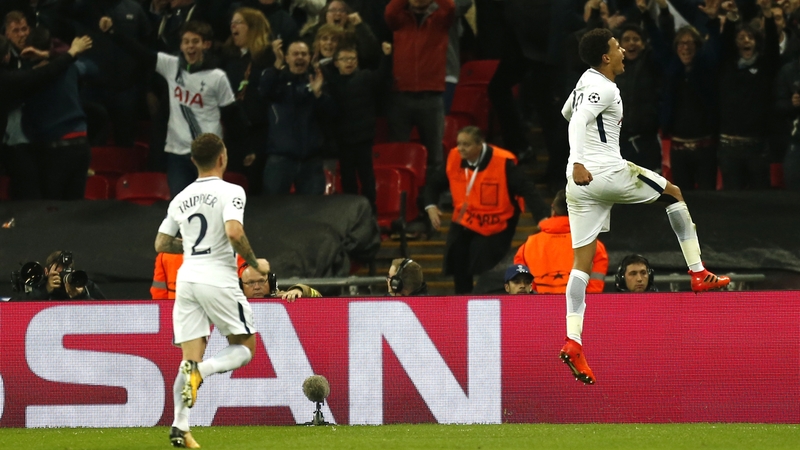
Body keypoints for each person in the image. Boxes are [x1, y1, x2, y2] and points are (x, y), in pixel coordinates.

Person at [559, 28, 730, 385]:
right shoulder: (604, 87)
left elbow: (567, 111)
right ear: (606, 57)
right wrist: (579, 159)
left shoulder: (585, 82)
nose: (623, 50)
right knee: (674, 193)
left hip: (579, 186)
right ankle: (698, 272)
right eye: (616, 46)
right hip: (604, 172)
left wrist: (579, 159)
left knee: (581, 264)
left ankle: (573, 340)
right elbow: (578, 119)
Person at [154, 133, 270, 449]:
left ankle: (180, 427)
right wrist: (254, 262)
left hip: (187, 280)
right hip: (217, 278)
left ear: (193, 160)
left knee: (188, 358)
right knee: (245, 347)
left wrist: (190, 246)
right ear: (222, 158)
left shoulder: (180, 198)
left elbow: (161, 243)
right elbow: (233, 231)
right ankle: (202, 372)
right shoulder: (231, 191)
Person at [99, 17, 249, 197]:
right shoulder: (171, 66)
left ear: (206, 45)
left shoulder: (217, 77)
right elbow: (140, 52)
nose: (190, 46)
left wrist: (247, 148)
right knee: (181, 206)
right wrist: (113, 32)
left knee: (207, 206)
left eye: (195, 41)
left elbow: (233, 115)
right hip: (177, 154)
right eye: (186, 42)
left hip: (208, 155)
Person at [424, 126, 549, 294]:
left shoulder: (502, 162)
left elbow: (527, 188)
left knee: (487, 267)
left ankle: (490, 299)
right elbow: (433, 183)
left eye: (466, 144)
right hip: (465, 219)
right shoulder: (454, 157)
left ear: (480, 144)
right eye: (459, 144)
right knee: (457, 260)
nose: (461, 148)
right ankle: (462, 301)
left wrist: (542, 217)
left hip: (496, 223)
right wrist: (431, 206)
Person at [0, 33, 93, 200]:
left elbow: (40, 75)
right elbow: (92, 68)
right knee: (74, 210)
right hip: (80, 144)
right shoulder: (68, 68)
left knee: (50, 210)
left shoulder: (25, 79)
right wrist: (66, 53)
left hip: (52, 149)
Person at [385, 0, 455, 177]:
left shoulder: (440, 19)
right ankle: (404, 190)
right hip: (400, 95)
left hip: (431, 96)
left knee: (434, 156)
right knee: (398, 151)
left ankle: (432, 193)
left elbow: (450, 7)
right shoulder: (399, 20)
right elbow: (390, 10)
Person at [258, 40, 335, 194]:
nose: (300, 57)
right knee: (274, 206)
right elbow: (264, 91)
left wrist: (318, 95)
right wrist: (277, 63)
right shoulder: (276, 78)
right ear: (286, 58)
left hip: (311, 160)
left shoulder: (319, 79)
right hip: (280, 158)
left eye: (304, 54)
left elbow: (331, 114)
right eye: (295, 54)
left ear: (309, 57)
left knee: (313, 207)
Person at [327, 42, 393, 213]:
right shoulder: (332, 83)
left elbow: (382, 76)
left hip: (364, 137)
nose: (349, 62)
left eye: (352, 59)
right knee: (347, 178)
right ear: (336, 63)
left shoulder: (365, 77)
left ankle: (370, 211)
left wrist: (386, 57)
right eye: (345, 59)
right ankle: (351, 213)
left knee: (367, 177)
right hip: (343, 139)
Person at [513, 189, 608, 294]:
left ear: (553, 210)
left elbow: (521, 285)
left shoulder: (528, 246)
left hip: (540, 303)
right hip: (578, 303)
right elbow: (594, 289)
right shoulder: (594, 245)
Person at [26, 250, 106, 300]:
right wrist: (46, 290)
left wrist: (81, 297)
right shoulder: (39, 285)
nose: (63, 273)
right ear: (46, 271)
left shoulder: (85, 285)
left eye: (67, 269)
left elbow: (104, 312)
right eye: (59, 269)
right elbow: (23, 307)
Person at [240, 258, 322, 299]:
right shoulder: (235, 306)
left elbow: (319, 298)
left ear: (271, 282)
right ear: (241, 286)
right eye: (251, 283)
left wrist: (300, 290)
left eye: (261, 281)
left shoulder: (283, 299)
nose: (257, 287)